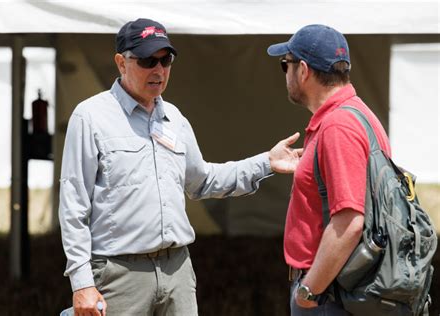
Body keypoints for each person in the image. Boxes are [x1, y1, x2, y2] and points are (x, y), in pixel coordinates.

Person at [59, 18, 303, 316]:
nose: (158, 70)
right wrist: (82, 283)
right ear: (121, 63)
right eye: (148, 60)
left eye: (166, 60)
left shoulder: (174, 118)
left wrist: (266, 162)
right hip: (118, 274)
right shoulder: (90, 117)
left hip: (178, 271)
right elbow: (73, 207)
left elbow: (202, 181)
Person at [267, 24, 392, 315]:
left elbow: (349, 220)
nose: (285, 73)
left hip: (331, 295)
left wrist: (310, 289)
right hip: (343, 288)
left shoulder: (337, 126)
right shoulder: (359, 114)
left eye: (286, 64)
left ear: (304, 71)